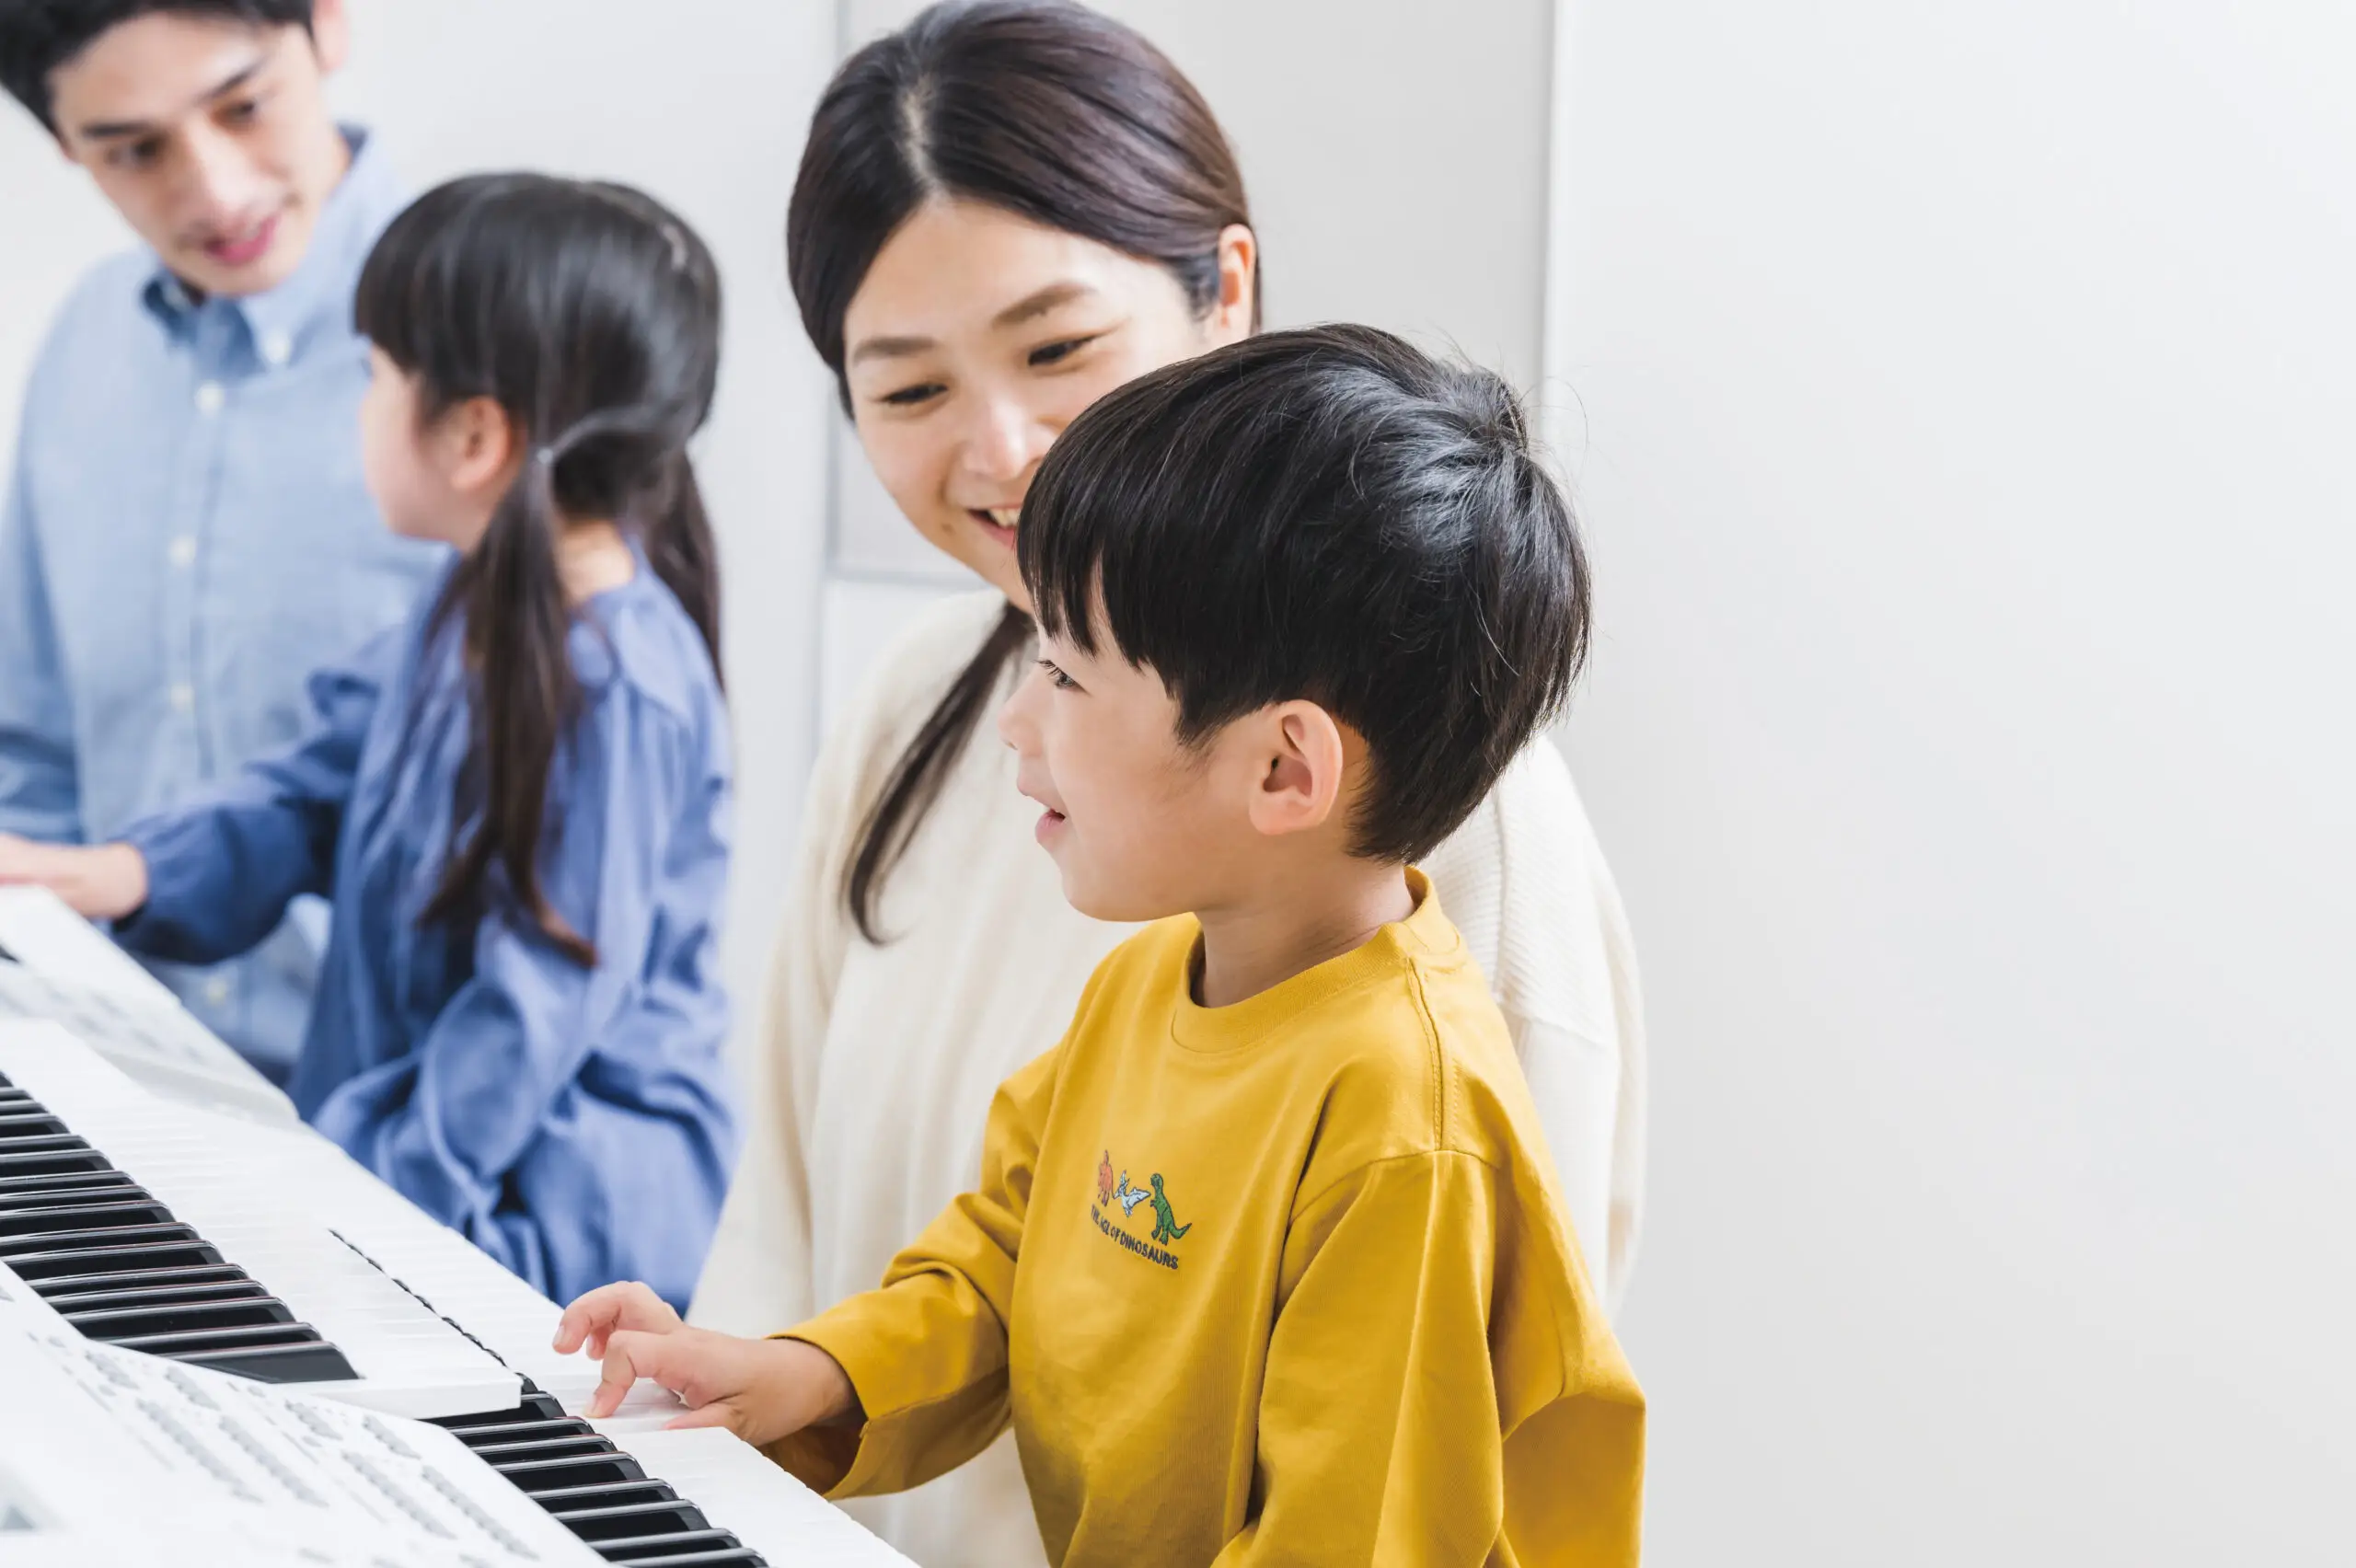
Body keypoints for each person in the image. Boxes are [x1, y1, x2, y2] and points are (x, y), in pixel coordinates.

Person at [689, 5, 1646, 1561]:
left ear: (1227, 293)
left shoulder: (1455, 847)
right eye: (911, 388)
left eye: (1058, 345)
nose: (1008, 451)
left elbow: (1413, 1479)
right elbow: (854, 1235)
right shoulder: (931, 725)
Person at [0, 173, 739, 1311]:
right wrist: (128, 871)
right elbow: (320, 785)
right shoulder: (469, 603)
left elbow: (534, 1004)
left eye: (375, 377)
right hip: (408, 1186)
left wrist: (361, 1203)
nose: (360, 407)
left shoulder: (624, 684)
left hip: (542, 1240)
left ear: (475, 436)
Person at [0, 0, 443, 1081]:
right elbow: (33, 760)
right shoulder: (84, 349)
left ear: (327, 28)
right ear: (66, 145)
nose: (214, 190)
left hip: (408, 1127)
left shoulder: (499, 331)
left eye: (243, 107)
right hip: (115, 1094)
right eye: (133, 149)